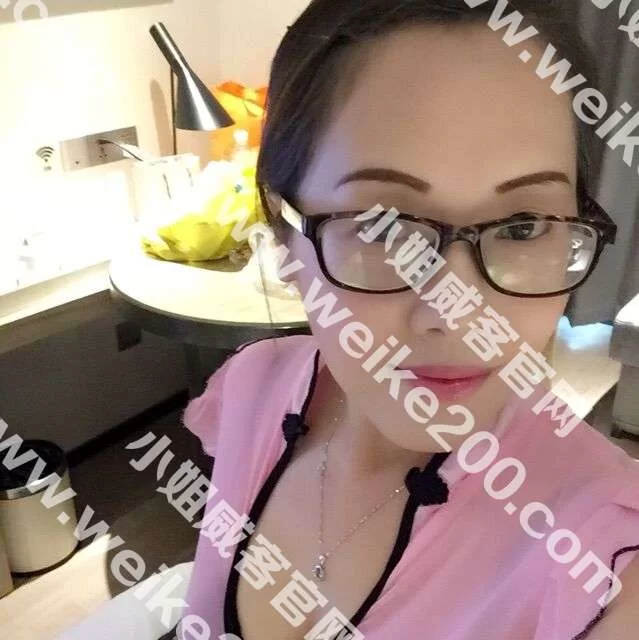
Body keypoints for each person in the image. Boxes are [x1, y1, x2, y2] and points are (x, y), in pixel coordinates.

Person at [172, 1, 639, 639]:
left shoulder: (600, 555)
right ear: (282, 234)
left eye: (522, 226)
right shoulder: (255, 387)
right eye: (383, 227)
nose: (457, 313)